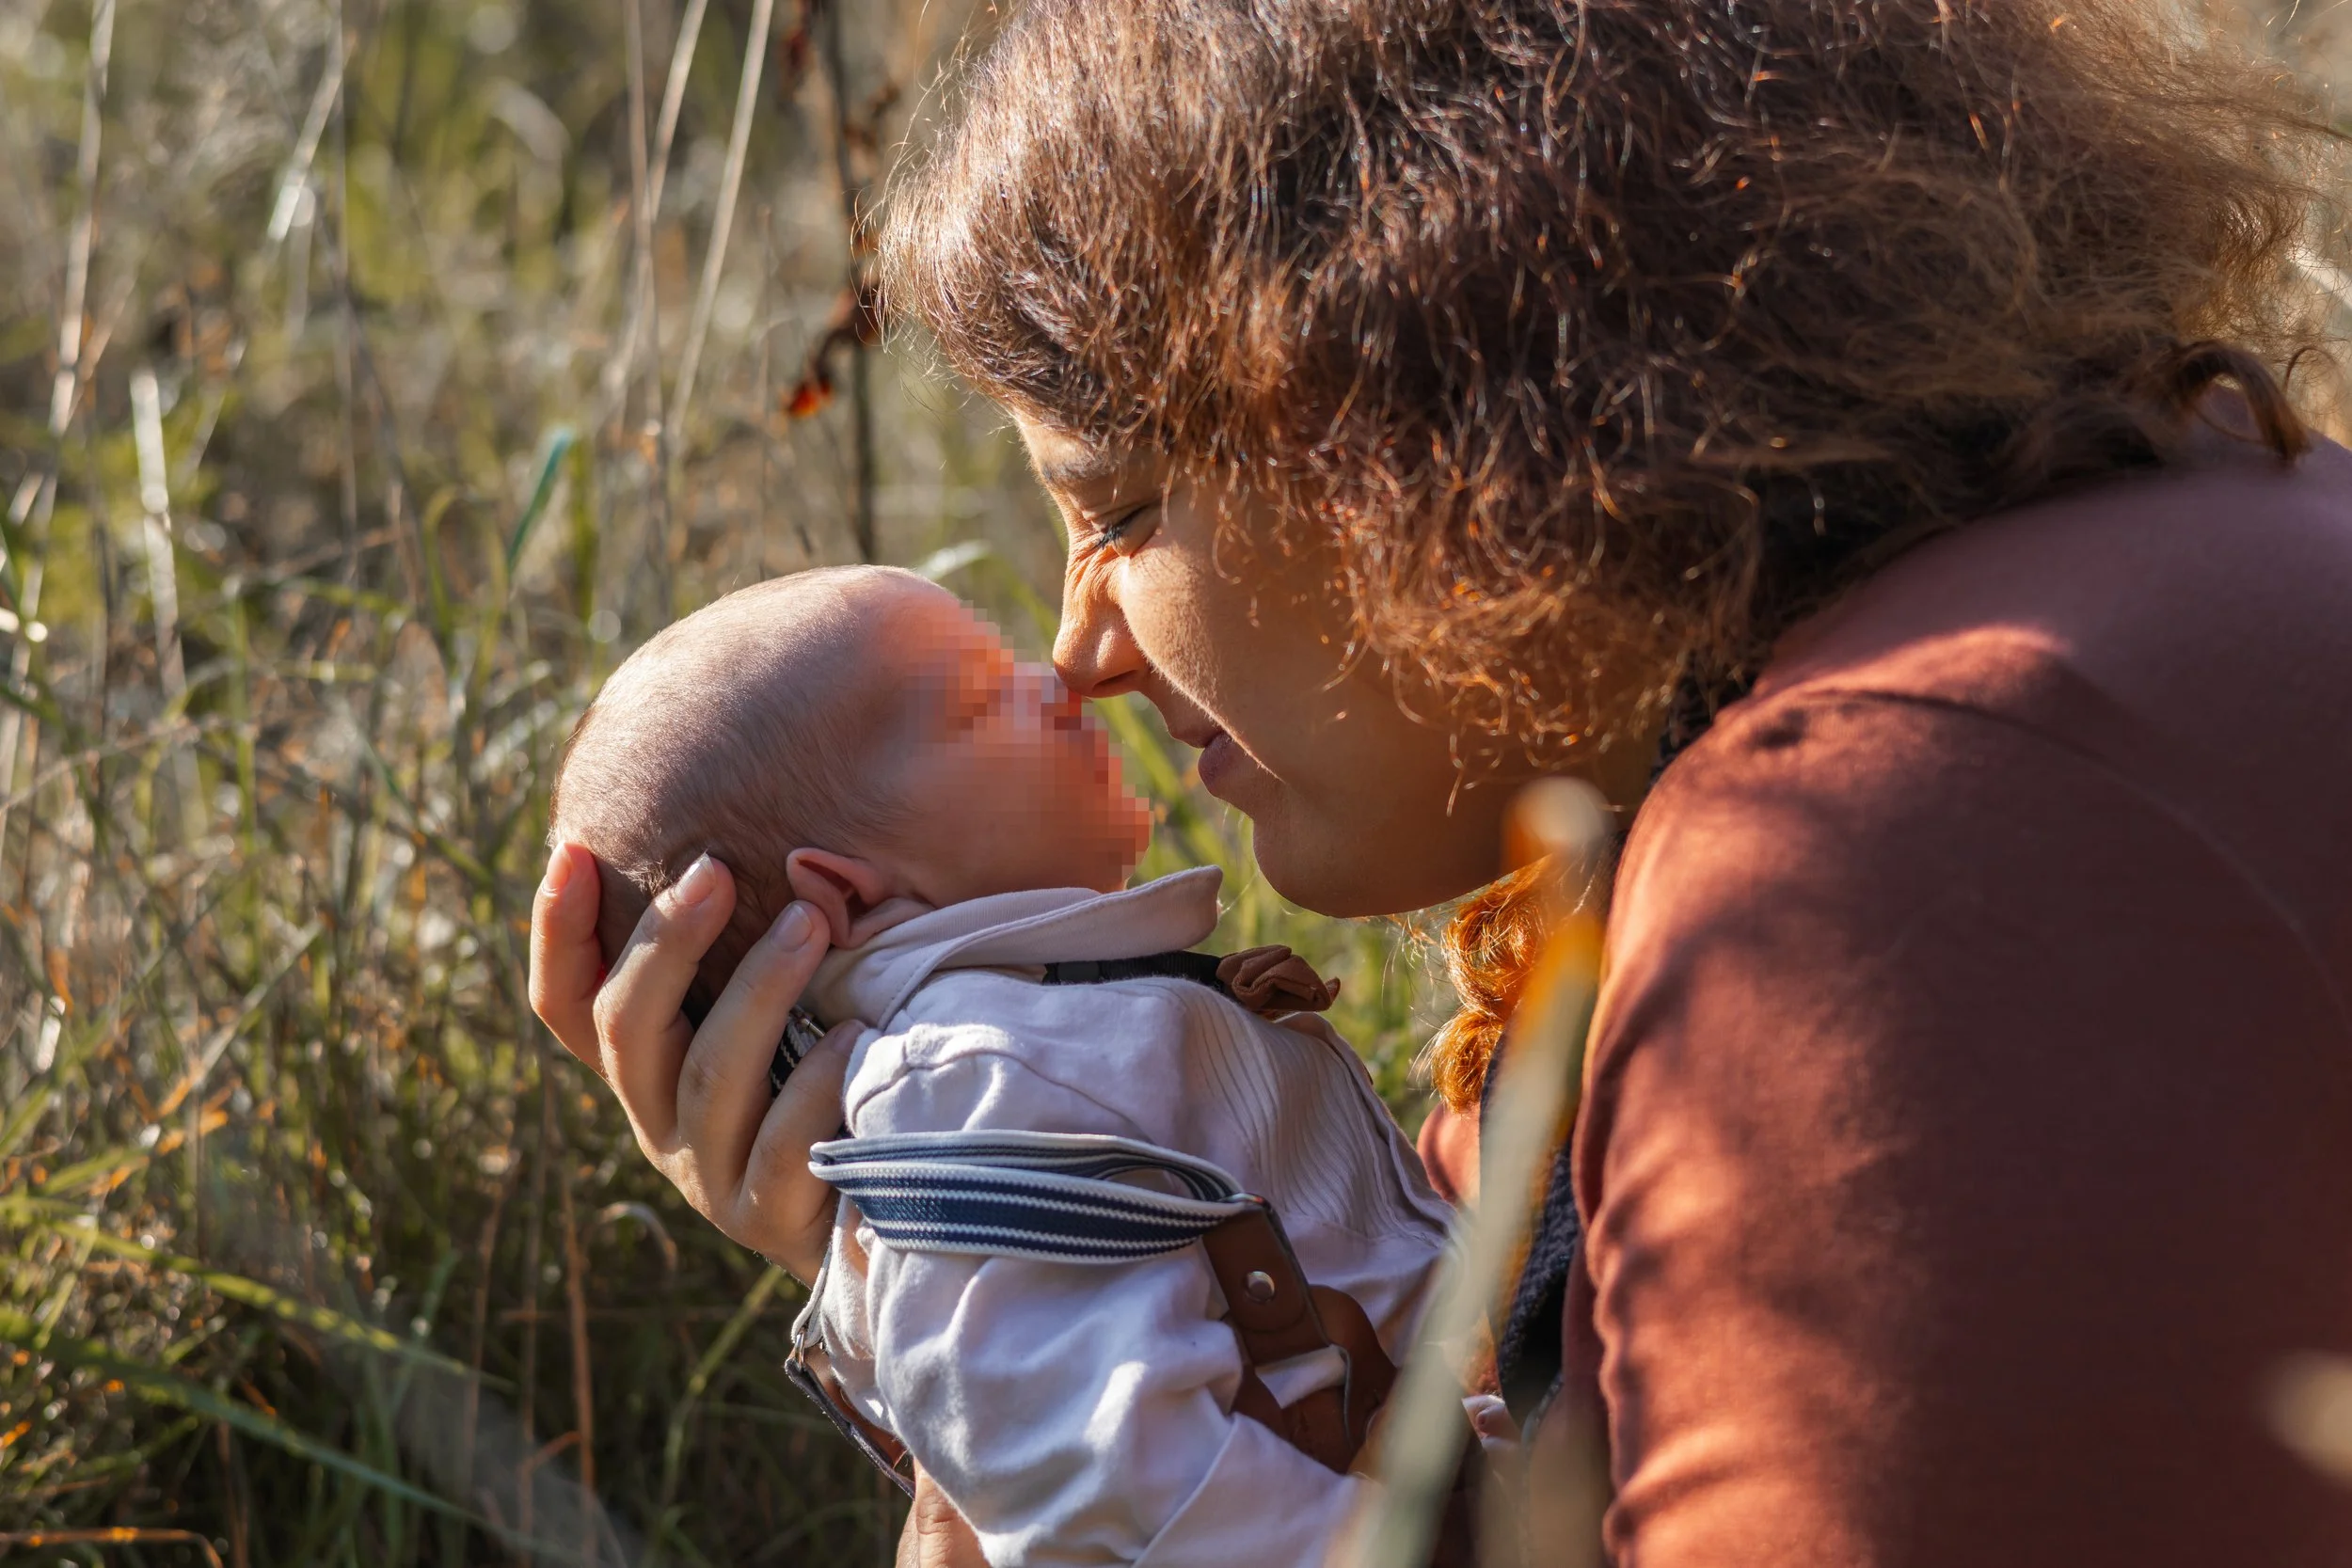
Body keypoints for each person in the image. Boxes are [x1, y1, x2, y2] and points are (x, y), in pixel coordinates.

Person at [532, 0, 2352, 1562]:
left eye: (1118, 510)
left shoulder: (1881, 855)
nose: (1079, 648)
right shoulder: (2136, 547)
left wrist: (944, 1278)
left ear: (1422, 399)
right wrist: (958, 1257)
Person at [545, 565, 1449, 1565]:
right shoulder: (965, 1080)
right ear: (845, 892)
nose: (1061, 680)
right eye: (982, 698)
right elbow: (1095, 1458)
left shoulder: (1036, 1034)